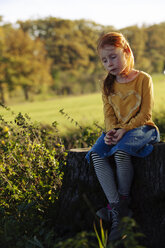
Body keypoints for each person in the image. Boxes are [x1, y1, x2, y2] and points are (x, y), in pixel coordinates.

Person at [85, 32, 160, 241]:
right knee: (96, 154)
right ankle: (119, 208)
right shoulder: (107, 84)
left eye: (114, 57)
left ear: (126, 52)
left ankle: (121, 207)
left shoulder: (143, 79)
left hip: (141, 129)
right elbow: (108, 114)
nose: (109, 63)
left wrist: (125, 130)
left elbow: (145, 113)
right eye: (104, 60)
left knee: (120, 152)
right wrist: (110, 131)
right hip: (116, 130)